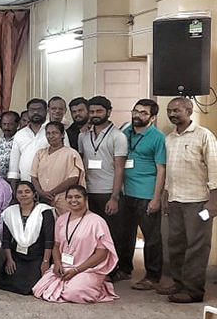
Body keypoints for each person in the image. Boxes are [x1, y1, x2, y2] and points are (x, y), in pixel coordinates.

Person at [160, 97, 217, 303]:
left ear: (189, 110)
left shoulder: (204, 135)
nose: (172, 114)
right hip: (175, 200)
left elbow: (214, 168)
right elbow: (169, 172)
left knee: (197, 246)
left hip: (198, 202)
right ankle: (179, 284)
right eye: (169, 111)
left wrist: (213, 201)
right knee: (175, 244)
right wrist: (165, 196)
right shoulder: (169, 138)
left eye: (176, 110)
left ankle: (193, 291)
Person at [32, 184, 119, 303]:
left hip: (88, 269)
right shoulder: (62, 219)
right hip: (64, 266)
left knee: (75, 293)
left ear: (85, 199)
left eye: (77, 197)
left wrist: (77, 270)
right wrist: (57, 263)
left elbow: (102, 254)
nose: (73, 200)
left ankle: (99, 286)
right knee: (40, 289)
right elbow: (56, 246)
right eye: (70, 197)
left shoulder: (97, 221)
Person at [116, 99, 166, 291]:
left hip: (146, 194)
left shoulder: (158, 137)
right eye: (135, 111)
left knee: (151, 238)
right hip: (125, 192)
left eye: (143, 113)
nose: (137, 115)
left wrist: (156, 198)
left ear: (152, 117)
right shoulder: (125, 131)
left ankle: (153, 276)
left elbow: (161, 169)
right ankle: (125, 269)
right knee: (124, 234)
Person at [77, 96, 127, 277]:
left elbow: (120, 168)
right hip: (89, 191)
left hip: (108, 192)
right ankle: (93, 269)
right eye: (92, 112)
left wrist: (115, 197)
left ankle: (112, 271)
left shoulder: (118, 136)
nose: (95, 115)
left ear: (108, 112)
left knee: (111, 234)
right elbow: (81, 162)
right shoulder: (84, 135)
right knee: (91, 234)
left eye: (99, 111)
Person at [0, 181, 55, 295]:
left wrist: (45, 262)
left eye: (27, 192)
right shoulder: (10, 212)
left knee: (30, 287)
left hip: (37, 256)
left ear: (34, 194)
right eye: (20, 192)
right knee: (5, 282)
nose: (23, 195)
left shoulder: (44, 211)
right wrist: (9, 260)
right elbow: (6, 240)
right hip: (17, 256)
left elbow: (49, 240)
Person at [31, 121, 86, 215]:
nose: (51, 136)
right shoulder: (40, 153)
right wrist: (41, 193)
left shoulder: (71, 154)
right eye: (48, 133)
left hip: (63, 199)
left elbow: (73, 178)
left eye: (55, 133)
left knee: (65, 225)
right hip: (43, 199)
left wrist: (52, 193)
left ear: (62, 134)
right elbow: (33, 176)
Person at [8, 98, 50, 185]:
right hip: (26, 184)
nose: (35, 112)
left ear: (46, 111)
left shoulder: (55, 130)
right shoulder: (20, 134)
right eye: (32, 110)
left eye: (39, 109)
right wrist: (14, 188)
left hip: (49, 183)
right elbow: (14, 164)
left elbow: (65, 156)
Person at [0, 111, 19, 179]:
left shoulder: (20, 140)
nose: (7, 127)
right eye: (4, 124)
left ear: (17, 124)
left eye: (10, 124)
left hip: (15, 181)